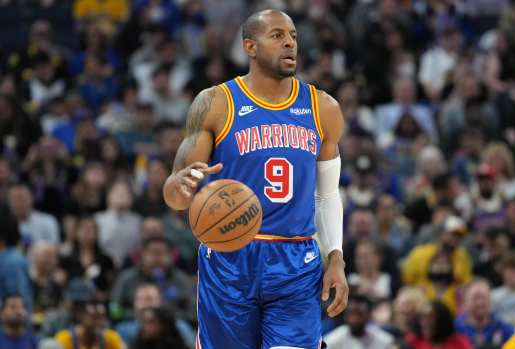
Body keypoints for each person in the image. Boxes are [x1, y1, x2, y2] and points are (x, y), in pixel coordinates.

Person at [161, 9, 348, 348]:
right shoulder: (216, 103)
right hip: (229, 257)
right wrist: (182, 185)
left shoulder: (324, 108)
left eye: (293, 35)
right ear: (250, 46)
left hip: (296, 259)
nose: (290, 42)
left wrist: (335, 255)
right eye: (277, 35)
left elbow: (327, 196)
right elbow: (173, 194)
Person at [455, 279, 514, 349]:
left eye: (484, 297)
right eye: (475, 298)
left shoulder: (505, 329)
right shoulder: (454, 329)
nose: (480, 303)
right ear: (464, 302)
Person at [324, 294, 394, 349]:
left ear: (369, 315)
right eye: (351, 314)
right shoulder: (332, 341)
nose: (355, 319)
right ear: (345, 315)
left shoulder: (384, 340)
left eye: (359, 314)